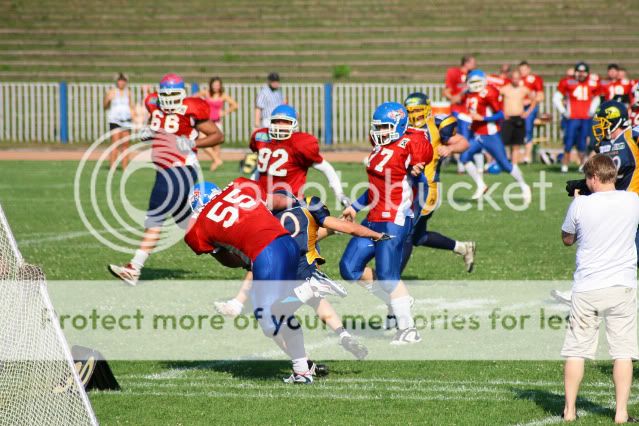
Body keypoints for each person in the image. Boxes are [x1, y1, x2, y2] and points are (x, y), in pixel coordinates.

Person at [214, 190, 387, 360]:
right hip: (308, 262)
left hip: (285, 269)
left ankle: (302, 362)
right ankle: (343, 334)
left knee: (273, 314)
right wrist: (376, 235)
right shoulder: (306, 209)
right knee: (316, 300)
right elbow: (335, 228)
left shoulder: (269, 222)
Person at [184, 177, 314, 384]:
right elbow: (279, 201)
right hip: (289, 243)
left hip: (268, 254)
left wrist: (247, 260)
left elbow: (228, 260)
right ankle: (302, 371)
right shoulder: (239, 185)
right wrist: (298, 203)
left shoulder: (197, 228)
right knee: (282, 313)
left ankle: (306, 290)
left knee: (267, 319)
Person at [108, 73, 224, 286]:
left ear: (182, 94)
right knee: (189, 226)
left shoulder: (192, 108)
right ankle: (230, 251)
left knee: (155, 219)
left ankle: (134, 267)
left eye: (174, 94)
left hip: (179, 170)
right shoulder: (154, 104)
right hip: (165, 170)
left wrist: (192, 143)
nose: (169, 99)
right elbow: (160, 126)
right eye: (166, 94)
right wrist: (150, 131)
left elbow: (217, 135)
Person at [339, 102, 433, 345]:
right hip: (373, 218)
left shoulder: (407, 146)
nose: (379, 132)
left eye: (385, 127)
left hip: (394, 219)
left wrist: (415, 211)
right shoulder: (379, 149)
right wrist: (354, 206)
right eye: (377, 127)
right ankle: (397, 300)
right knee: (349, 268)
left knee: (388, 276)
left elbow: (423, 147)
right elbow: (374, 189)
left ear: (399, 126)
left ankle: (409, 329)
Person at [560, 154, 639, 423]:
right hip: (622, 285)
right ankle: (621, 412)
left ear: (593, 178)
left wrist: (577, 202)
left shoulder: (581, 205)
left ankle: (569, 410)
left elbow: (567, 239)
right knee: (623, 352)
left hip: (587, 286)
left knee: (576, 350)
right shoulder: (632, 200)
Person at [400, 93, 475, 273]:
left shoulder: (439, 123)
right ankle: (463, 248)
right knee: (419, 237)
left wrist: (449, 148)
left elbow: (464, 142)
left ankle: (391, 279)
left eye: (418, 110)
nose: (414, 115)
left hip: (427, 188)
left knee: (407, 233)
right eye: (410, 111)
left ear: (426, 109)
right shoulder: (402, 125)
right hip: (405, 187)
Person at [249, 104, 350, 205]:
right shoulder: (262, 137)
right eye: (276, 121)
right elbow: (261, 169)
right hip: (264, 201)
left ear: (294, 124)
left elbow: (326, 168)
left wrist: (339, 194)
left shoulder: (300, 143)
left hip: (290, 204)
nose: (280, 125)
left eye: (285, 122)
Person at [459, 69, 531, 202]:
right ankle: (481, 185)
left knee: (505, 164)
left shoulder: (489, 92)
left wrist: (483, 118)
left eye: (476, 81)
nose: (474, 84)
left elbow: (500, 114)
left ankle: (524, 186)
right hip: (477, 135)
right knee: (464, 157)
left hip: (490, 135)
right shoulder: (468, 94)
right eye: (472, 81)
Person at [553, 62, 601, 173]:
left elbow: (597, 97)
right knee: (568, 142)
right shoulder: (568, 82)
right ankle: (564, 166)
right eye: (579, 71)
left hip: (585, 118)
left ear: (587, 73)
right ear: (575, 72)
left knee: (583, 143)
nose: (581, 74)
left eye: (584, 72)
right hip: (572, 118)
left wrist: (592, 110)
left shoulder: (593, 83)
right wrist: (564, 111)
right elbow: (556, 98)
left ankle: (582, 165)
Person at [199, 77, 238, 171]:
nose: (216, 87)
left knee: (216, 146)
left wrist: (224, 112)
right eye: (214, 84)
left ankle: (214, 167)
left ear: (220, 86)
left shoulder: (223, 95)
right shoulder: (206, 93)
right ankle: (217, 160)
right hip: (206, 122)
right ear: (211, 85)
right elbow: (193, 98)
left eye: (218, 85)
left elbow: (235, 105)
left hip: (217, 123)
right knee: (202, 142)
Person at [500, 69, 537, 164]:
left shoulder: (523, 89)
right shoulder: (505, 89)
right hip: (508, 118)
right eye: (514, 78)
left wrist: (527, 112)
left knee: (516, 144)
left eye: (517, 78)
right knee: (504, 142)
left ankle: (514, 164)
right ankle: (505, 162)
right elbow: (497, 101)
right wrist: (502, 112)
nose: (515, 80)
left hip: (518, 118)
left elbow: (534, 100)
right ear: (511, 79)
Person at [103, 73, 135, 170]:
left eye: (123, 80)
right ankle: (112, 166)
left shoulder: (128, 92)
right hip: (115, 120)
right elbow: (105, 106)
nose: (121, 82)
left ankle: (125, 167)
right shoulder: (111, 92)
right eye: (120, 80)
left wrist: (134, 117)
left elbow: (131, 106)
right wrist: (108, 100)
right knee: (115, 144)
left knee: (126, 144)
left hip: (126, 120)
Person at [518, 61, 545, 164]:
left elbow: (540, 96)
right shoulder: (517, 80)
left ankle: (527, 156)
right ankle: (514, 157)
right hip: (517, 107)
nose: (522, 72)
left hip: (530, 107)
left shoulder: (535, 79)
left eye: (524, 69)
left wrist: (529, 102)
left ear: (529, 69)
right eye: (521, 70)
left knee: (528, 130)